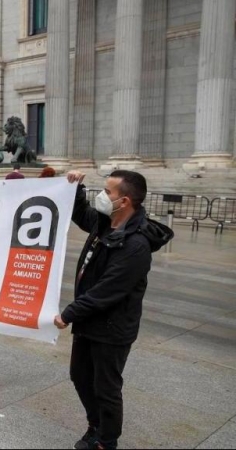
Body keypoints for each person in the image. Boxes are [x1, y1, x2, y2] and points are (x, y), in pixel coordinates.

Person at [55, 170, 173, 450]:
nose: (103, 196)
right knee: (80, 376)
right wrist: (76, 186)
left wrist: (68, 314)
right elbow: (81, 213)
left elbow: (107, 291)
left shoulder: (137, 245)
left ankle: (106, 442)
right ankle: (95, 425)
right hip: (89, 323)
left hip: (112, 328)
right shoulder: (105, 222)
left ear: (125, 201)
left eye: (108, 192)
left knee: (106, 388)